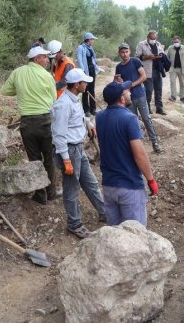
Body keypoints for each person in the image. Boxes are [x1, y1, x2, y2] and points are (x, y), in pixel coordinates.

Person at [51, 68, 106, 239]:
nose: (86, 84)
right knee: (72, 188)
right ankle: (74, 223)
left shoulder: (74, 99)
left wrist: (89, 124)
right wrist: (66, 160)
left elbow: (78, 117)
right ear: (76, 85)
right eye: (84, 82)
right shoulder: (63, 105)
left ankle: (104, 211)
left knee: (90, 181)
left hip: (77, 148)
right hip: (68, 150)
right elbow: (58, 134)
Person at [96, 81, 159, 226]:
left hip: (108, 186)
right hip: (129, 186)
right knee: (135, 235)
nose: (130, 92)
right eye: (127, 92)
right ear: (122, 99)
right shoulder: (129, 119)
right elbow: (140, 155)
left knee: (115, 234)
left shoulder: (99, 117)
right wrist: (150, 180)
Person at [1, 46, 57, 205]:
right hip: (45, 121)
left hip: (26, 122)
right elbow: (54, 99)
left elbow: (5, 91)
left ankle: (40, 195)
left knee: (34, 159)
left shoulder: (17, 72)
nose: (47, 60)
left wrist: (20, 90)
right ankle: (51, 192)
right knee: (48, 158)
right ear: (37, 58)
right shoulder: (47, 76)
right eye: (45, 57)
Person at [114, 43, 163, 154]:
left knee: (146, 119)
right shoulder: (119, 67)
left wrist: (131, 85)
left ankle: (155, 142)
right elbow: (117, 81)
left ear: (129, 52)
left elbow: (144, 76)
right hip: (128, 99)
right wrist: (118, 82)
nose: (125, 54)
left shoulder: (135, 61)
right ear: (119, 53)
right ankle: (138, 146)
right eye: (122, 52)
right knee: (133, 122)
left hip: (140, 95)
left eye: (126, 51)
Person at [135, 30, 167, 115]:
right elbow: (137, 57)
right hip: (147, 71)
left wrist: (161, 56)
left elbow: (163, 54)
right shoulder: (141, 44)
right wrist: (148, 57)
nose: (154, 39)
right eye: (152, 38)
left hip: (158, 70)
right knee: (148, 91)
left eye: (155, 37)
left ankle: (159, 108)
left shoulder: (158, 44)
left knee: (158, 90)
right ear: (148, 37)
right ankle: (147, 108)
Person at [76, 32, 100, 117]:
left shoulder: (90, 48)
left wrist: (97, 68)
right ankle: (86, 110)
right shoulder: (80, 47)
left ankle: (93, 109)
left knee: (92, 90)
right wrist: (83, 72)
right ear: (88, 40)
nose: (93, 41)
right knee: (85, 90)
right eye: (93, 39)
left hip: (92, 71)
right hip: (85, 72)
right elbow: (79, 60)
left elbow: (93, 59)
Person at [165, 35, 184, 104]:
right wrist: (166, 66)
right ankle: (173, 96)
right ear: (173, 42)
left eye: (177, 42)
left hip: (182, 69)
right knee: (172, 82)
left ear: (180, 41)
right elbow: (166, 58)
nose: (176, 43)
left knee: (182, 83)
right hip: (172, 69)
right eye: (174, 42)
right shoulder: (170, 48)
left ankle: (182, 97)